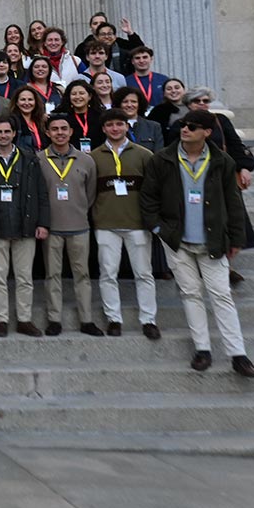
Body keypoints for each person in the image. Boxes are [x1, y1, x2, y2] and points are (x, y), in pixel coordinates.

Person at [140, 110, 254, 378]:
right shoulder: (162, 159)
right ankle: (202, 349)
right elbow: (148, 198)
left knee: (221, 296)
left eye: (192, 127)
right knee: (190, 295)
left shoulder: (222, 161)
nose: (185, 130)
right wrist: (160, 229)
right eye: (183, 125)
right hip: (178, 241)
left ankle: (238, 354)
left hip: (213, 241)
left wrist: (237, 238)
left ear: (206, 132)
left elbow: (234, 203)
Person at [0, 117, 50, 337]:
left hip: (25, 227)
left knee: (24, 278)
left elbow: (42, 194)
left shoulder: (29, 159)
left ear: (14, 133)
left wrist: (42, 223)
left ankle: (24, 319)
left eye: (7, 131)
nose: (3, 135)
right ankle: (1, 319)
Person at [91, 108, 159, 339]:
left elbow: (153, 191)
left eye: (119, 124)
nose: (115, 128)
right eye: (110, 125)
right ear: (103, 129)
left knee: (144, 274)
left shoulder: (143, 154)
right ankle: (114, 318)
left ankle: (148, 319)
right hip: (106, 222)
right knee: (108, 273)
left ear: (127, 126)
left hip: (137, 223)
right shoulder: (94, 156)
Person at [37, 115, 102, 336]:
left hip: (79, 226)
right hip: (51, 228)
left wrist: (80, 209)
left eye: (64, 129)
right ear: (48, 133)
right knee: (52, 275)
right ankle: (54, 319)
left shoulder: (86, 160)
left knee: (82, 274)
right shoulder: (39, 159)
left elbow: (90, 193)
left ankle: (86, 320)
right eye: (54, 129)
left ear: (71, 132)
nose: (60, 133)